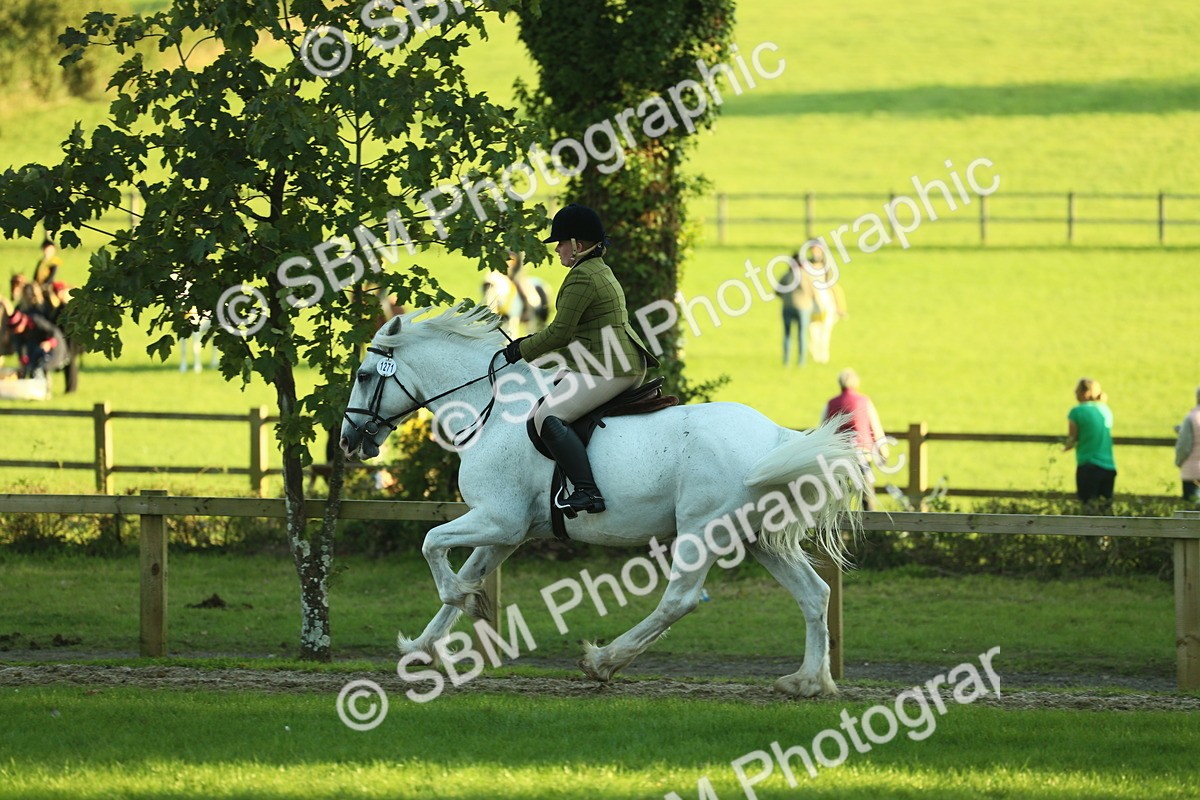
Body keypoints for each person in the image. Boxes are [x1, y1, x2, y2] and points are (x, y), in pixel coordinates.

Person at [502, 204, 659, 515]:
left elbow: (560, 333)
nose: (557, 249)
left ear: (577, 244)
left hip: (612, 367)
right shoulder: (597, 269)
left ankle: (587, 492)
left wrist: (521, 349)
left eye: (561, 242)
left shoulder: (582, 277)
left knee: (547, 417)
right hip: (610, 360)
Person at [821, 368, 885, 510]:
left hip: (838, 453)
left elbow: (823, 430)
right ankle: (871, 525)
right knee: (866, 491)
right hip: (861, 452)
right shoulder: (864, 401)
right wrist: (883, 449)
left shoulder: (831, 403)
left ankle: (840, 528)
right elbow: (875, 427)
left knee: (838, 493)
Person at [1063, 378, 1117, 512]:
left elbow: (1072, 439)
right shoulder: (1105, 410)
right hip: (1109, 466)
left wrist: (1064, 447)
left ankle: (1090, 534)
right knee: (1105, 509)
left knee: (1088, 508)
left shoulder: (1076, 412)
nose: (1074, 393)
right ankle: (1107, 533)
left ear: (1084, 393)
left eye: (1077, 390)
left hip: (1089, 465)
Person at [806, 244, 847, 364]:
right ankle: (814, 354)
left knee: (825, 331)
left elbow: (833, 286)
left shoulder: (826, 267)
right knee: (813, 330)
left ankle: (823, 356)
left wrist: (839, 306)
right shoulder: (807, 267)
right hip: (812, 303)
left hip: (826, 302)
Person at [776, 246, 816, 365]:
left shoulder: (786, 275)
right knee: (802, 335)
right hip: (803, 308)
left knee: (787, 335)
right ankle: (801, 362)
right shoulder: (807, 276)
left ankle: (786, 361)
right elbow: (813, 292)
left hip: (787, 307)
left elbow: (777, 291)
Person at [1174, 385, 1200, 501]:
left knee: (1191, 511)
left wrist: (1178, 461)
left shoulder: (1192, 417)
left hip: (1192, 472)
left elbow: (1184, 446)